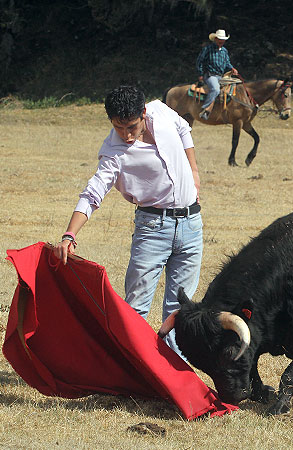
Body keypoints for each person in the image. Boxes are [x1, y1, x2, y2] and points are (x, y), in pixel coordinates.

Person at [53, 85, 203, 358]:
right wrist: (69, 235)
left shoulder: (160, 110)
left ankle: (172, 378)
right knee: (135, 308)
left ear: (144, 113)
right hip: (152, 229)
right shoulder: (113, 152)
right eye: (119, 128)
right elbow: (92, 193)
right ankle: (129, 369)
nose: (126, 134)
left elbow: (183, 128)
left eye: (132, 126)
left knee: (181, 309)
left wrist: (193, 168)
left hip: (192, 225)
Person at [196, 29, 238, 120]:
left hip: (221, 76)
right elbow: (199, 61)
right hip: (210, 75)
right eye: (219, 39)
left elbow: (227, 63)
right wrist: (200, 74)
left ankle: (229, 111)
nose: (221, 41)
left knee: (235, 88)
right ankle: (205, 110)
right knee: (215, 89)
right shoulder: (207, 49)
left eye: (223, 40)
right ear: (215, 39)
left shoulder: (224, 51)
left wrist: (232, 68)